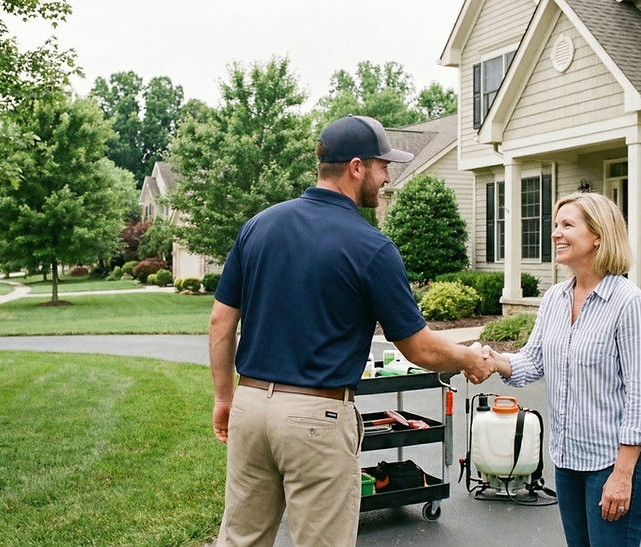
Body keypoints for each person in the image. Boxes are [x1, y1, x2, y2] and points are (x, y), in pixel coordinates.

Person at [209, 114, 495, 546]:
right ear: (357, 167)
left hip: (250, 409)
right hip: (316, 419)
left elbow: (220, 322)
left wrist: (224, 398)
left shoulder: (258, 227)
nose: (386, 178)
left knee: (240, 540)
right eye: (383, 166)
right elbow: (419, 348)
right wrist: (470, 357)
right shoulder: (371, 247)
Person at [488, 191, 641, 547]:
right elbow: (533, 361)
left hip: (612, 464)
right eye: (555, 225)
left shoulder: (629, 304)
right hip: (568, 461)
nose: (555, 233)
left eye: (567, 225)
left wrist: (622, 474)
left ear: (598, 235)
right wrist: (488, 360)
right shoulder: (555, 298)